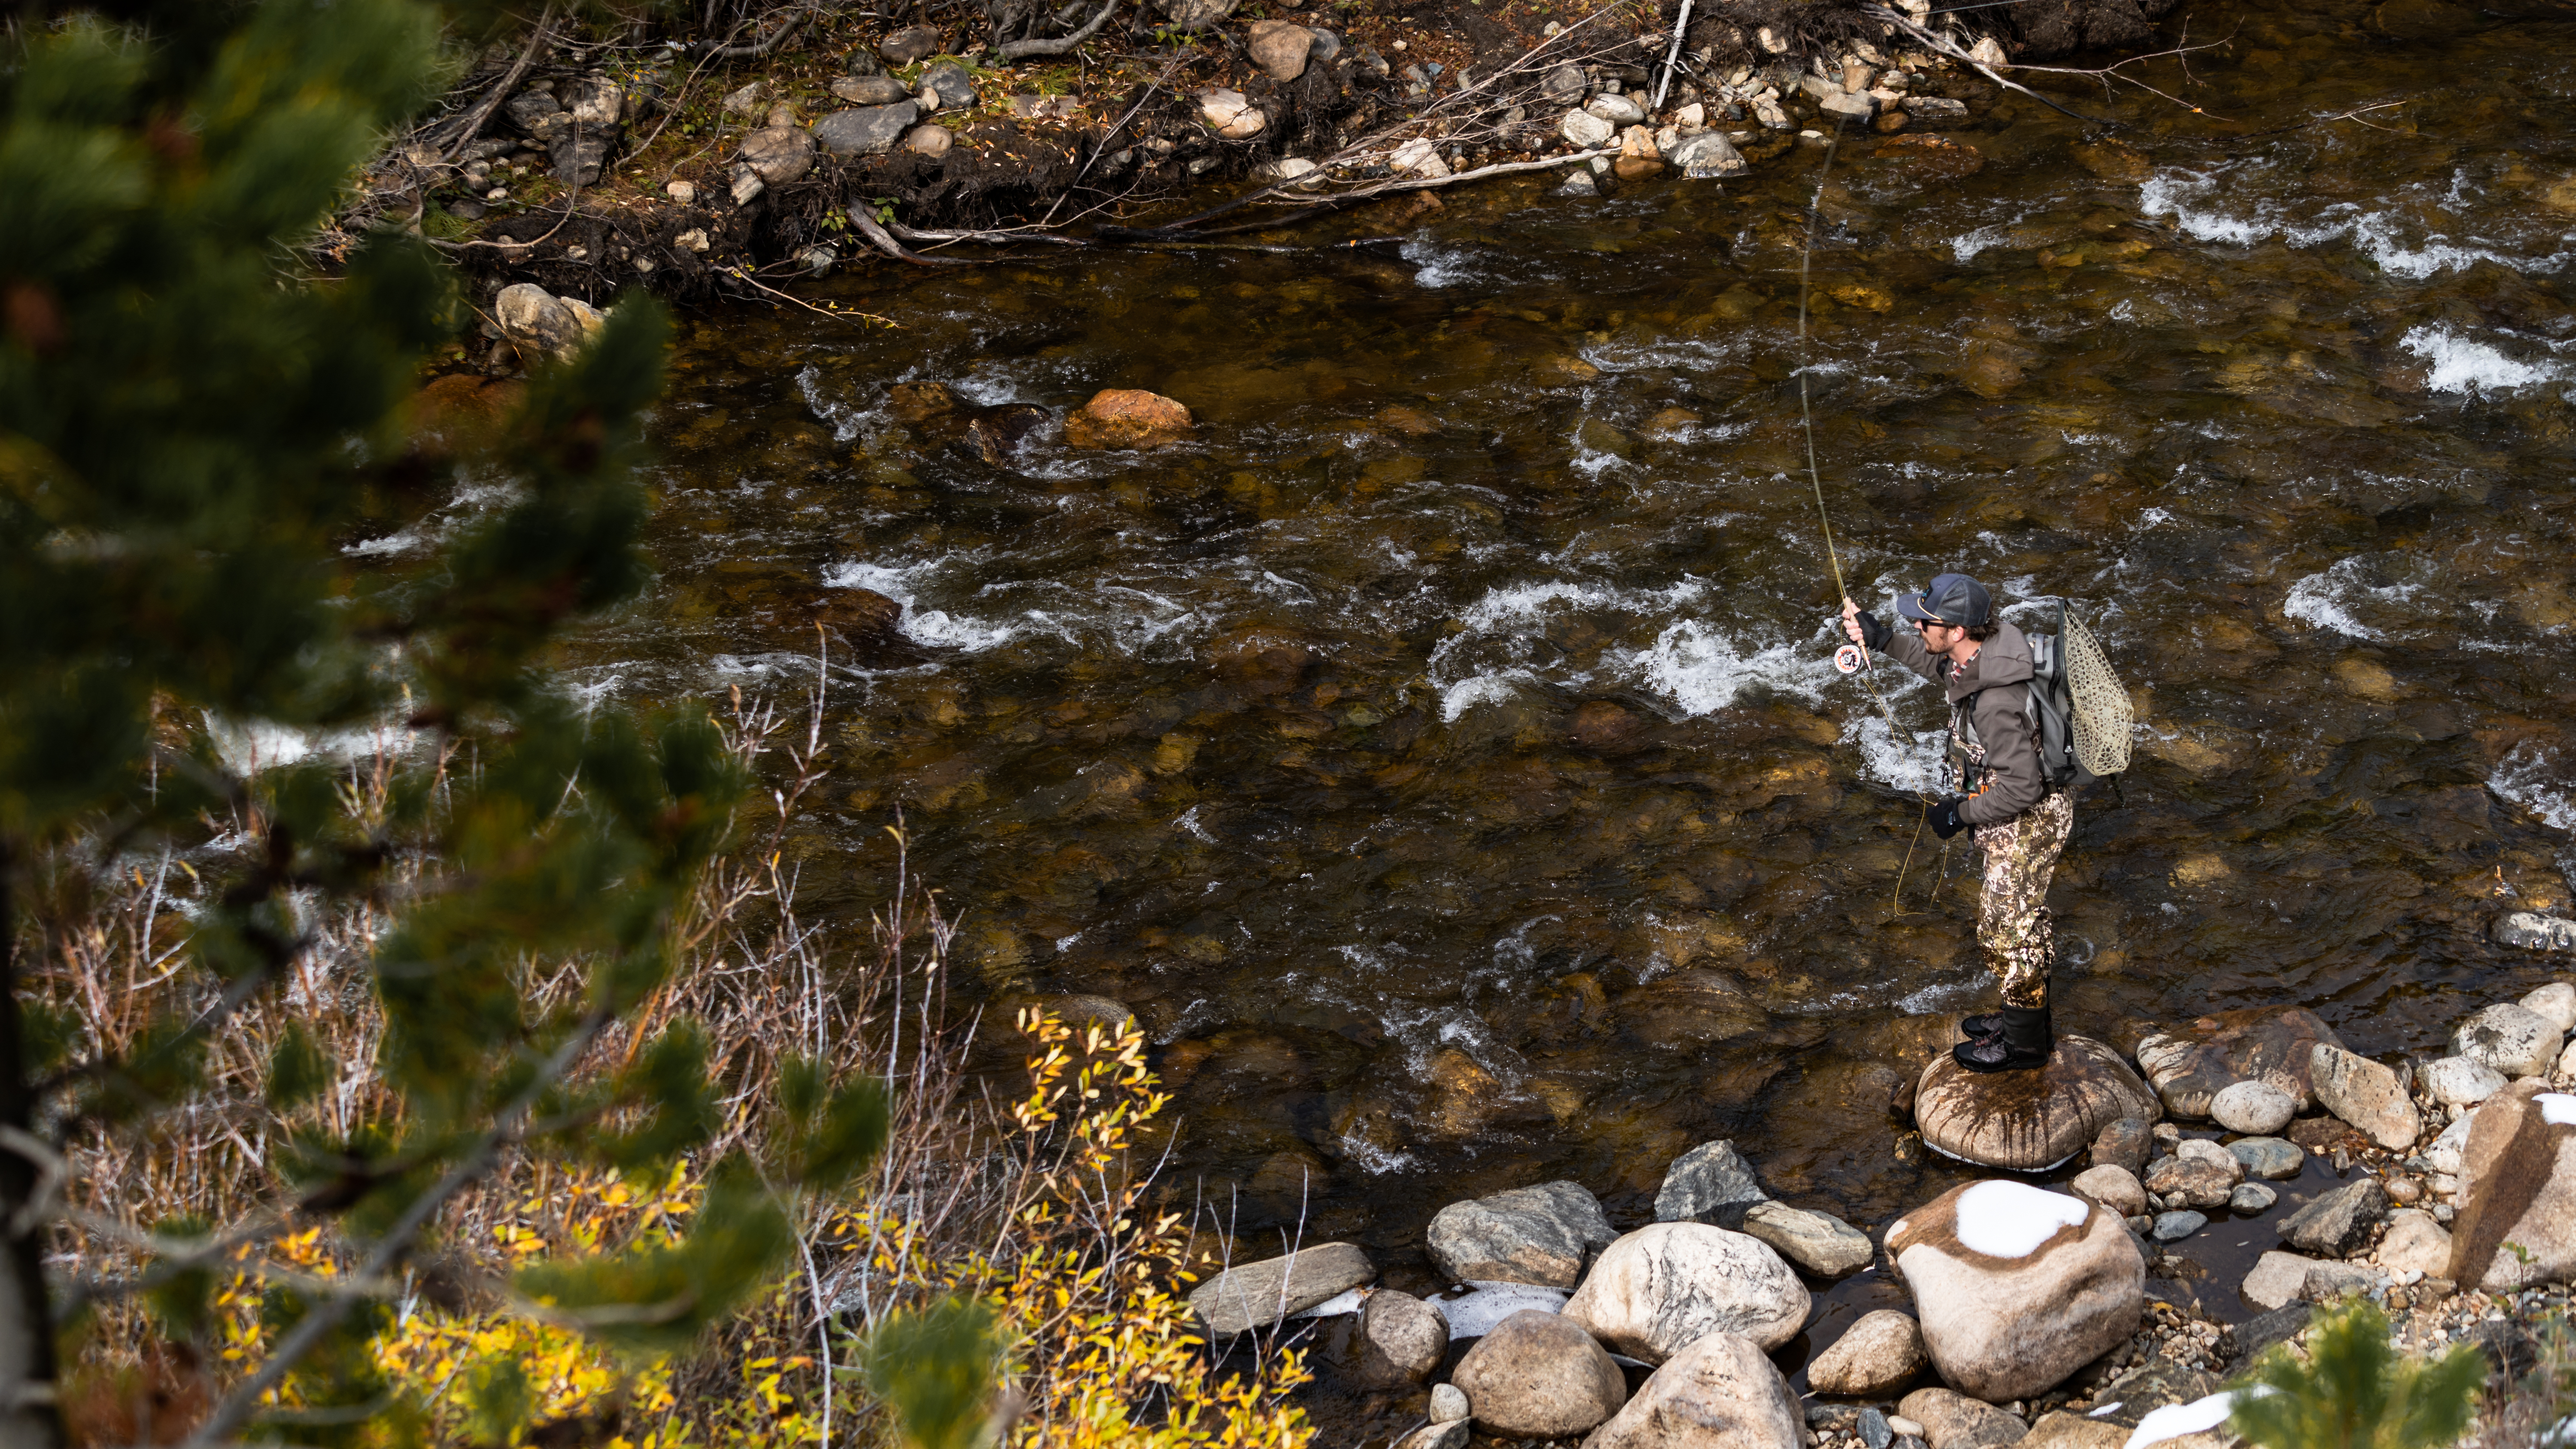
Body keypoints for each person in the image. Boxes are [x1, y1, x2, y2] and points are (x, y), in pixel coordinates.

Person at [1840, 573, 2072, 1074]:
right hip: (2017, 805)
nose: (1918, 625)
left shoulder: (1995, 702)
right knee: (2014, 924)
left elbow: (2022, 789)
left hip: (2028, 819)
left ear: (1960, 629)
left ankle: (2025, 1046)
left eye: (1926, 621)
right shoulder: (1984, 652)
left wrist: (1958, 813)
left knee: (2007, 933)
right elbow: (1941, 668)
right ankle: (2020, 1018)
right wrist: (1881, 640)